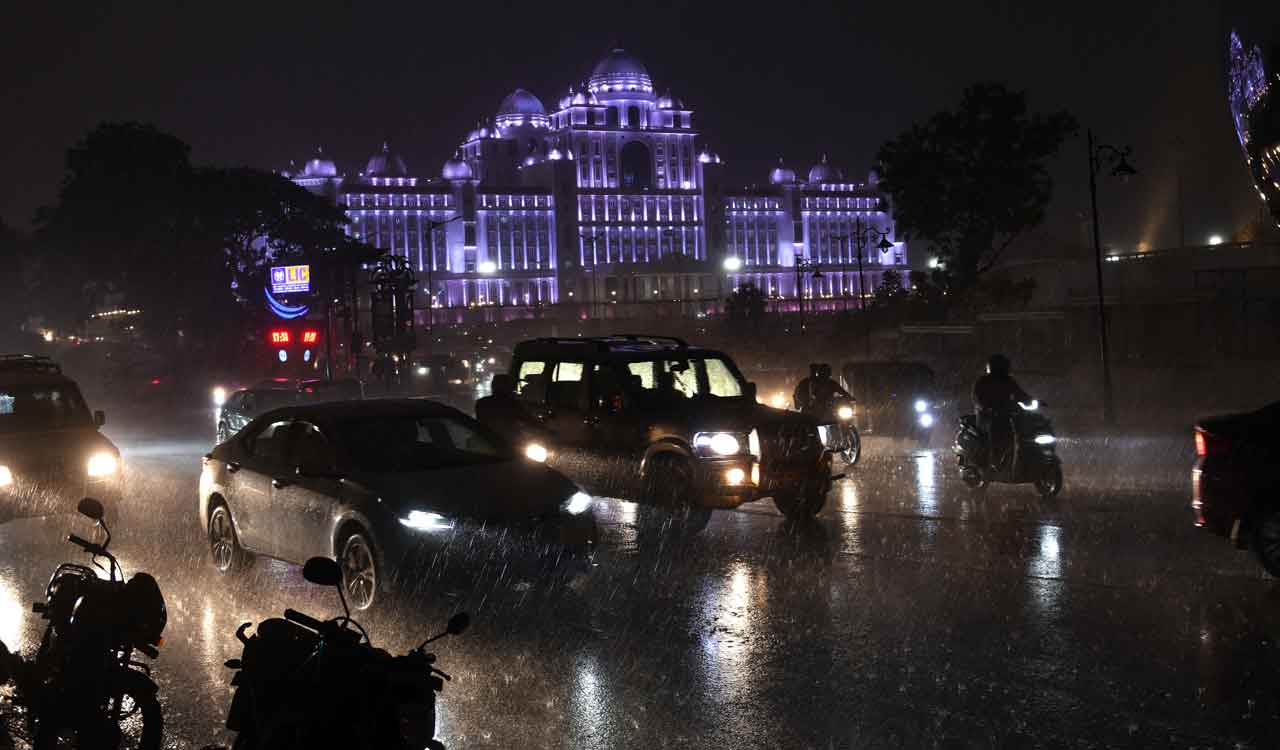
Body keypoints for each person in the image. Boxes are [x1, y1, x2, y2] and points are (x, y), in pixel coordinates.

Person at [972, 354, 1033, 471]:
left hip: (1005, 414)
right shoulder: (983, 381)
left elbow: (1020, 394)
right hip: (987, 416)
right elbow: (977, 398)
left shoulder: (1008, 381)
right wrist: (986, 408)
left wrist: (1033, 401)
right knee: (994, 430)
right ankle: (994, 461)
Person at [475, 373, 539, 441]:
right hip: (510, 439)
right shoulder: (513, 404)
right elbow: (529, 420)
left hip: (486, 439)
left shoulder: (482, 402)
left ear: (493, 386)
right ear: (509, 387)